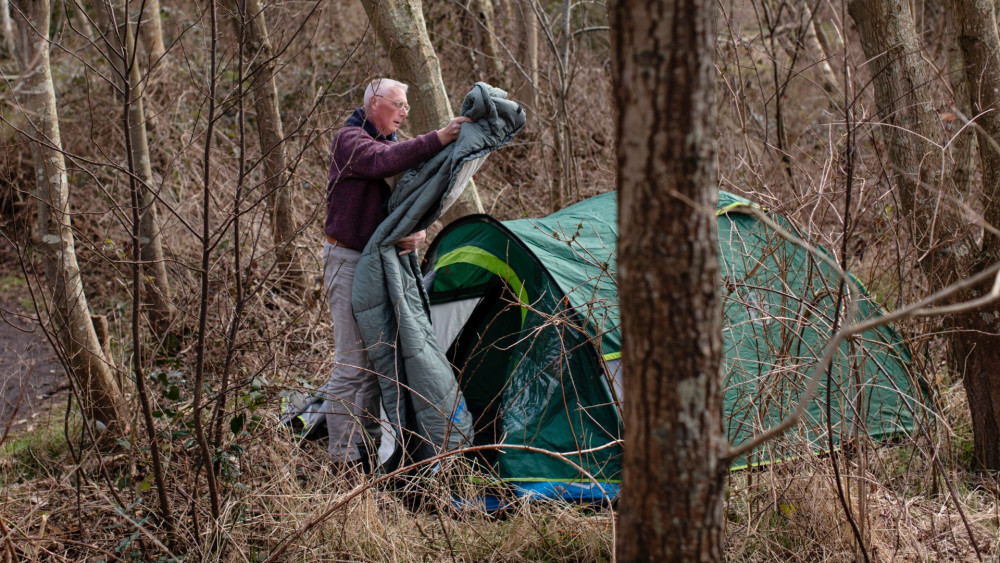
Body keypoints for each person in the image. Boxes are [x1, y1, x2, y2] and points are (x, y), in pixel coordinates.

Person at [320, 78, 471, 471]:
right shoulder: (350, 141)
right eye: (399, 105)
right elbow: (382, 162)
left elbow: (402, 202)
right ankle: (342, 464)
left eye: (406, 106)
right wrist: (440, 137)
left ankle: (365, 453)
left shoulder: (388, 144)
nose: (405, 113)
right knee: (353, 364)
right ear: (374, 104)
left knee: (374, 365)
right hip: (348, 260)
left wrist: (417, 231)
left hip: (378, 265)